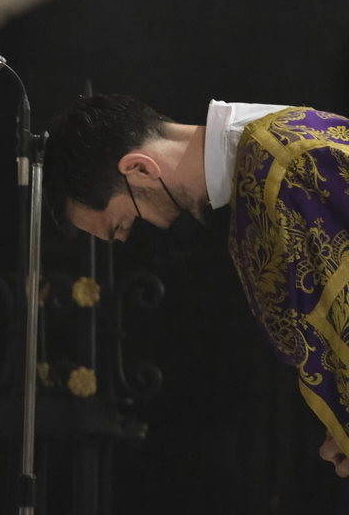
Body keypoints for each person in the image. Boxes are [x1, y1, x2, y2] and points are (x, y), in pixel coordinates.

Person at [45, 94, 349, 479]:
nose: (132, 241)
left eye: (121, 225)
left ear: (139, 169)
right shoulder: (252, 179)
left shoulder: (282, 162)